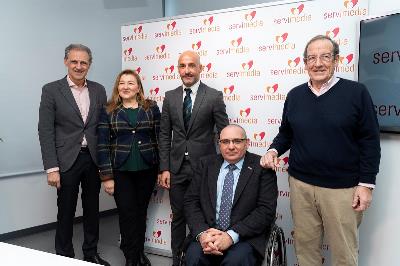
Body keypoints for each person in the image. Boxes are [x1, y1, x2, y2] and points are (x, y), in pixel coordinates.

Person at [260, 35, 381, 266]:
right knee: (306, 250)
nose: (318, 63)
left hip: (342, 190)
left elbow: (370, 141)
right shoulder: (295, 95)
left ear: (336, 60)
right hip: (300, 186)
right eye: (312, 58)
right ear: (305, 63)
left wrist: (366, 185)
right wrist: (273, 150)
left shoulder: (357, 93)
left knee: (344, 254)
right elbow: (286, 132)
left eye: (325, 56)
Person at [38, 44, 110, 265]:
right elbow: (45, 130)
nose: (79, 66)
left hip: (93, 159)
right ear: (66, 62)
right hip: (66, 160)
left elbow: (102, 128)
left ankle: (90, 253)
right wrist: (52, 168)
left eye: (84, 62)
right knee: (66, 211)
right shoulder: (51, 90)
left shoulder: (99, 90)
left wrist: (106, 165)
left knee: (92, 210)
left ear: (89, 64)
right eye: (74, 62)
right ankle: (64, 256)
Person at [158, 50, 229, 265]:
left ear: (200, 68)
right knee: (178, 217)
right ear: (178, 69)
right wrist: (165, 168)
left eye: (191, 65)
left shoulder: (214, 96)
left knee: (205, 217)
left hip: (205, 168)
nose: (186, 70)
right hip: (177, 168)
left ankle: (201, 259)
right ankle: (176, 261)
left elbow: (224, 132)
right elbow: (164, 134)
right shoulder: (170, 96)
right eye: (182, 66)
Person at [184, 124, 278, 266]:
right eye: (225, 142)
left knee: (236, 261)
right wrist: (203, 234)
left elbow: (265, 211)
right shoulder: (205, 164)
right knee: (194, 257)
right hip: (208, 234)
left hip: (244, 237)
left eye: (237, 141)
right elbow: (191, 201)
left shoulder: (261, 169)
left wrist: (230, 236)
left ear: (247, 143)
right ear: (219, 144)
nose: (231, 146)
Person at [97, 69, 160, 266]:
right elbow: (102, 145)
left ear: (138, 87)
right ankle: (130, 257)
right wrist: (106, 177)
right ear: (117, 87)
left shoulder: (151, 108)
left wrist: (161, 169)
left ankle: (140, 252)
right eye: (122, 83)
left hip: (147, 169)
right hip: (120, 171)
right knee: (127, 214)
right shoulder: (108, 110)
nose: (125, 87)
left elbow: (159, 139)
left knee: (141, 213)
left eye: (130, 83)